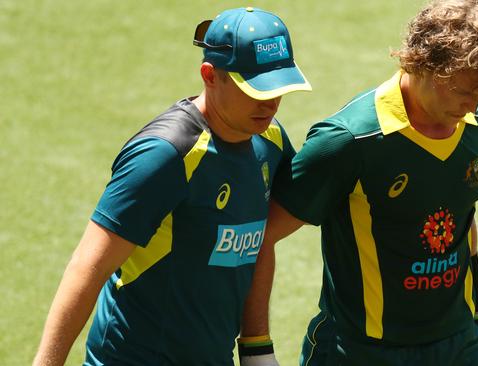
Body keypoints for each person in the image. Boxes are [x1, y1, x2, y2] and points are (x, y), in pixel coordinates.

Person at [240, 0, 478, 365]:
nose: (473, 105)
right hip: (360, 352)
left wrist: (476, 324)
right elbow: (258, 237)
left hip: (458, 346)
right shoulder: (347, 142)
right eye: (463, 91)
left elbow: (463, 211)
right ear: (422, 65)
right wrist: (256, 349)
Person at [32, 7, 311, 366]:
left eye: (277, 87)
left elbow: (258, 239)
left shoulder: (269, 140)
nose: (270, 102)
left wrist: (256, 348)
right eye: (253, 88)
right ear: (210, 75)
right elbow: (89, 266)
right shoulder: (165, 155)